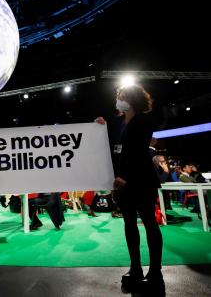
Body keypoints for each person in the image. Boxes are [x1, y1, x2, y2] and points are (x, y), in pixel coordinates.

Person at [96, 84, 164, 295]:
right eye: (118, 96)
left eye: (122, 96)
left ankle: (155, 273)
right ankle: (135, 268)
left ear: (132, 98)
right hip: (121, 182)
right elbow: (113, 147)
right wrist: (101, 126)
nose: (118, 100)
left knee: (149, 223)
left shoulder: (145, 120)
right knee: (128, 224)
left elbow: (136, 152)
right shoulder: (117, 122)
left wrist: (126, 177)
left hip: (141, 180)